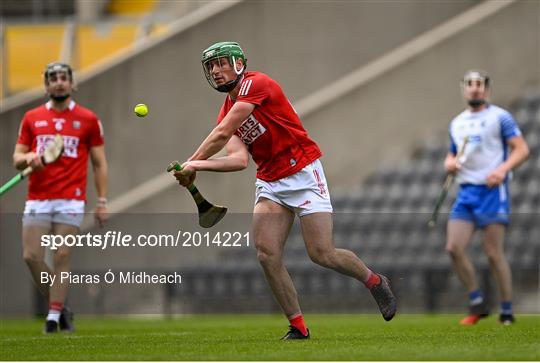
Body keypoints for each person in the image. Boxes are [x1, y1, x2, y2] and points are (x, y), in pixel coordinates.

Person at [172, 41, 397, 339]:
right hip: (270, 181)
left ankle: (374, 281)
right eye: (210, 66)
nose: (215, 71)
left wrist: (192, 162)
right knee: (266, 253)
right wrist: (198, 168)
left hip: (303, 171)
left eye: (221, 63)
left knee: (322, 253)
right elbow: (238, 160)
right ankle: (298, 327)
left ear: (238, 63)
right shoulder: (225, 111)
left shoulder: (257, 83)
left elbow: (223, 133)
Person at [12, 62, 109, 333]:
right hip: (38, 197)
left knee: (62, 254)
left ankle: (53, 317)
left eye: (63, 78)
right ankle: (60, 306)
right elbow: (17, 159)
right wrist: (29, 158)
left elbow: (99, 163)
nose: (58, 82)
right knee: (31, 256)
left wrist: (101, 201)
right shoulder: (31, 118)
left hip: (71, 198)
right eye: (53, 78)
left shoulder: (88, 119)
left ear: (72, 83)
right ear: (46, 85)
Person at [444, 70, 529, 325]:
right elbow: (452, 155)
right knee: (453, 248)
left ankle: (506, 310)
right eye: (470, 84)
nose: (475, 88)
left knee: (493, 252)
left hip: (492, 192)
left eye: (479, 84)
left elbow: (522, 149)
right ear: (464, 89)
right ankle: (477, 301)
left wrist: (502, 170)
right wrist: (449, 163)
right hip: (466, 192)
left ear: (487, 89)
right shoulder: (457, 123)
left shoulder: (500, 117)